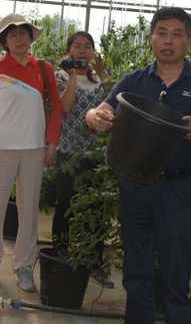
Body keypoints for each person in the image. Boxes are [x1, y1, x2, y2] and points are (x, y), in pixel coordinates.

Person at [86, 7, 191, 324]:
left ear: (188, 41)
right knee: (136, 271)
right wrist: (95, 116)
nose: (168, 40)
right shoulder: (135, 80)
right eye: (161, 33)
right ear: (151, 38)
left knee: (177, 274)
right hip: (135, 186)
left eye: (177, 34)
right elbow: (99, 110)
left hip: (180, 188)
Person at [0, 13, 62, 291]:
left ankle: (23, 266)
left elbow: (56, 105)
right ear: (4, 42)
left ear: (30, 36)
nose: (18, 38)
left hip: (34, 149)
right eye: (12, 34)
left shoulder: (44, 69)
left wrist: (51, 142)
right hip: (2, 149)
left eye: (23, 33)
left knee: (29, 211)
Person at [51, 31, 113, 288]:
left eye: (88, 46)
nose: (83, 50)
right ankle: (60, 257)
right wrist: (73, 75)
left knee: (96, 209)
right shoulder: (60, 77)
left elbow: (115, 101)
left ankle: (94, 263)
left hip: (96, 155)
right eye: (78, 46)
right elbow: (65, 107)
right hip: (69, 153)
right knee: (65, 203)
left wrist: (103, 73)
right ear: (69, 51)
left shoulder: (98, 79)